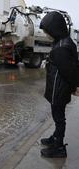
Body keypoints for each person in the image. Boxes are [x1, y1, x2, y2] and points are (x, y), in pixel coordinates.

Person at [39, 11, 78, 158]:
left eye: (47, 31)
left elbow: (69, 71)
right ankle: (55, 138)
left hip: (59, 90)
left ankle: (59, 147)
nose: (46, 34)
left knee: (59, 118)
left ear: (55, 29)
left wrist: (75, 86)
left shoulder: (61, 47)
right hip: (59, 89)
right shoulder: (64, 41)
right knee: (58, 117)